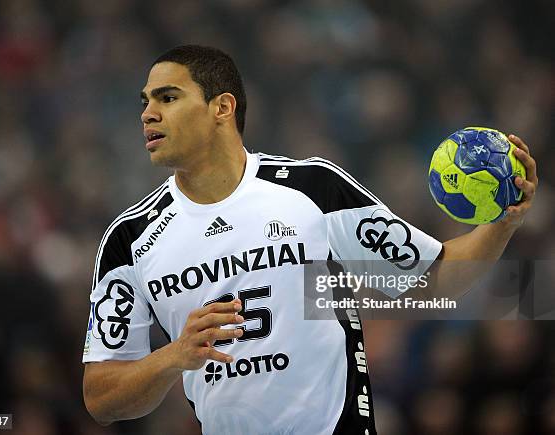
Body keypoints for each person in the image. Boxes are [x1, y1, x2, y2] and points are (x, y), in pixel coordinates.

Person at [81, 45, 538, 435]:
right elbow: (101, 395)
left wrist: (503, 223)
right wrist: (171, 358)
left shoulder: (313, 189)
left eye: (168, 97)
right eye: (145, 101)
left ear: (222, 107)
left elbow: (434, 280)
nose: (147, 114)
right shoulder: (131, 238)